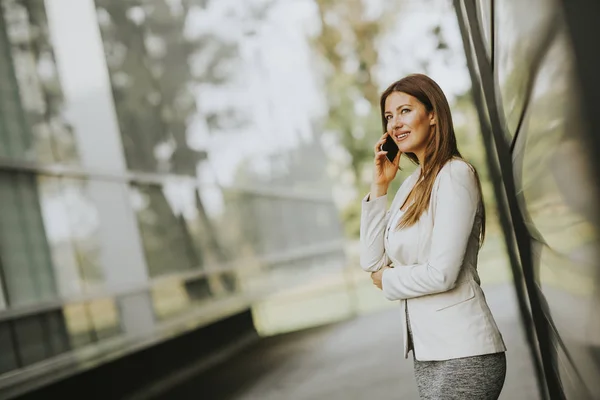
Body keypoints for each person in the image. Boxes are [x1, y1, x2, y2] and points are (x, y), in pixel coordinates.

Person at [360, 74, 507, 400]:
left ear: (433, 114)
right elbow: (371, 261)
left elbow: (442, 274)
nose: (395, 123)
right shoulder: (411, 185)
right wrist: (380, 187)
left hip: (466, 352)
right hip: (429, 354)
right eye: (388, 116)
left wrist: (388, 280)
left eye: (405, 111)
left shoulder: (455, 175)